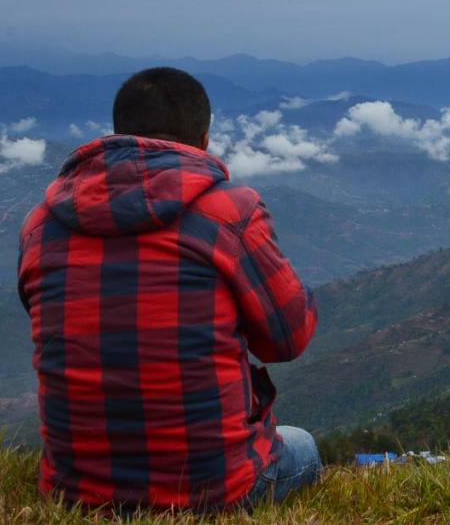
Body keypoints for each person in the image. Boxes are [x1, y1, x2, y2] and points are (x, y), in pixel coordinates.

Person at [17, 67, 320, 511]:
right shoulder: (228, 213)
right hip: (212, 492)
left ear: (121, 134)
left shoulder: (41, 226)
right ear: (203, 140)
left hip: (75, 493)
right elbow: (288, 339)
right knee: (302, 445)